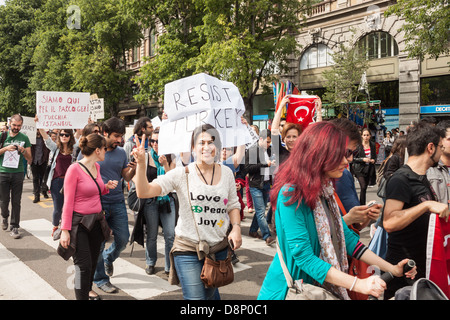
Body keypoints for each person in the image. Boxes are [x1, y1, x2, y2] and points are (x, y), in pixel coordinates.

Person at [258, 121, 417, 300]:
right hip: (290, 291)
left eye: (347, 154)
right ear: (318, 155)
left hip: (318, 290)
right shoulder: (291, 192)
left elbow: (347, 239)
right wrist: (358, 284)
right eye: (339, 155)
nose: (346, 160)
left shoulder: (325, 191)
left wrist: (392, 268)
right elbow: (304, 258)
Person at [132, 123, 242, 300]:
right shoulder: (181, 173)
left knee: (210, 295)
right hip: (188, 248)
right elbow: (144, 192)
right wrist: (141, 164)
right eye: (201, 142)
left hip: (219, 249)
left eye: (211, 142)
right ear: (192, 147)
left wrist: (236, 227)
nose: (206, 147)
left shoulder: (227, 173)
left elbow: (233, 204)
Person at [383, 121, 449, 299]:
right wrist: (426, 206)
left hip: (421, 268)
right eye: (440, 147)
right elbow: (389, 222)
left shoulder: (422, 178)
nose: (442, 152)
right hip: (403, 273)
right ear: (430, 148)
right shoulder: (401, 179)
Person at [59, 133, 118, 300]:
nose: (107, 151)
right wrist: (65, 230)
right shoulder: (74, 169)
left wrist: (106, 187)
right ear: (97, 150)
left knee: (92, 265)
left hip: (96, 222)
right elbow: (68, 202)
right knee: (82, 266)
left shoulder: (97, 167)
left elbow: (93, 191)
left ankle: (85, 293)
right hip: (79, 224)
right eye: (105, 148)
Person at [93, 117, 136, 294]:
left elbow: (125, 176)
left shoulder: (121, 153)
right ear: (105, 133)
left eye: (121, 136)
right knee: (99, 244)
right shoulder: (92, 149)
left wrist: (134, 167)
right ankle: (101, 279)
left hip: (118, 202)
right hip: (98, 203)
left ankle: (108, 258)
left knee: (123, 239)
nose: (119, 140)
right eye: (116, 136)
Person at [332, 118, 381, 231]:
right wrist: (348, 219)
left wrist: (367, 216)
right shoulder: (300, 188)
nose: (349, 159)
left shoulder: (345, 176)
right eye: (346, 153)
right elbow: (312, 239)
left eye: (352, 153)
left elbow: (355, 228)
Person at [140, 128, 177, 275]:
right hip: (151, 201)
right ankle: (150, 262)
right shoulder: (147, 156)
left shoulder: (171, 157)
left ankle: (169, 266)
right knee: (152, 234)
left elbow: (173, 181)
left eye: (158, 141)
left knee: (170, 234)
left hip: (167, 200)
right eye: (153, 141)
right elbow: (141, 179)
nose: (155, 144)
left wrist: (165, 165)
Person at [37, 124, 77, 236]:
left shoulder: (74, 149)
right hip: (57, 181)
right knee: (58, 208)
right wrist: (39, 125)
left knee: (70, 206)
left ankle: (67, 227)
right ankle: (55, 225)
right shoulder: (55, 148)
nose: (64, 136)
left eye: (67, 134)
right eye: (62, 134)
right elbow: (46, 139)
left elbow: (82, 135)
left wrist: (87, 123)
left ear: (70, 136)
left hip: (71, 182)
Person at [0, 114, 32, 239]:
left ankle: (15, 226)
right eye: (14, 125)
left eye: (19, 126)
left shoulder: (24, 137)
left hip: (18, 172)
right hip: (2, 172)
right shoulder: (3, 136)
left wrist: (23, 151)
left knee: (16, 201)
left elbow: (30, 159)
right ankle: (4, 216)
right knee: (4, 200)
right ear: (9, 124)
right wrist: (5, 149)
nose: (16, 128)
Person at [244, 129, 276, 245]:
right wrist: (265, 164)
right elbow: (248, 168)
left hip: (266, 183)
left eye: (269, 142)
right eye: (267, 142)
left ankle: (253, 230)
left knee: (260, 211)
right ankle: (267, 236)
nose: (268, 145)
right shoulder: (252, 150)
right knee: (261, 211)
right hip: (256, 184)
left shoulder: (270, 150)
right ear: (261, 139)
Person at [270, 95, 302, 166]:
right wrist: (281, 106)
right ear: (283, 139)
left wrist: (318, 112)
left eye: (294, 137)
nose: (291, 140)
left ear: (299, 138)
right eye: (288, 137)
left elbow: (318, 138)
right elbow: (274, 130)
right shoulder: (280, 152)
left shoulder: (304, 154)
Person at [352, 128, 377, 205]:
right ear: (362, 136)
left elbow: (375, 156)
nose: (366, 137)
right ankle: (361, 204)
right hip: (359, 169)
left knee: (364, 188)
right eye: (364, 135)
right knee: (362, 186)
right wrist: (363, 159)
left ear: (370, 136)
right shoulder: (358, 146)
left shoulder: (372, 144)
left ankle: (362, 204)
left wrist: (373, 160)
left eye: (367, 135)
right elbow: (353, 158)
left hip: (369, 168)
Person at [30, 130, 50, 203]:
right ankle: (36, 196)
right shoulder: (31, 138)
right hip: (34, 161)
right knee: (35, 179)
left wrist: (46, 159)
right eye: (36, 129)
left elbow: (48, 149)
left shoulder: (44, 138)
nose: (37, 131)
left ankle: (42, 190)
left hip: (42, 161)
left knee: (42, 178)